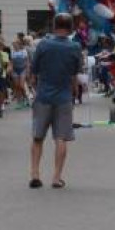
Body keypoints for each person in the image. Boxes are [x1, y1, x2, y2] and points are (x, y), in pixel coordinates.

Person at [28, 13, 82, 189]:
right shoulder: (75, 47)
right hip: (64, 97)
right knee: (61, 138)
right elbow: (75, 75)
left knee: (38, 137)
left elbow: (33, 71)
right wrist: (74, 93)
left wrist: (34, 87)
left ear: (54, 25)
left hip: (43, 96)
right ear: (70, 27)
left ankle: (35, 174)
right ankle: (56, 177)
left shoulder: (43, 44)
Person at [10, 38, 30, 107]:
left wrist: (27, 71)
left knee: (21, 86)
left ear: (19, 45)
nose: (14, 46)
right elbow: (11, 62)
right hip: (15, 70)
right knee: (17, 86)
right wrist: (11, 70)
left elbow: (27, 61)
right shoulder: (12, 52)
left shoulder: (24, 51)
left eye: (15, 45)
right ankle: (19, 101)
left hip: (22, 69)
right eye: (13, 45)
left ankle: (26, 98)